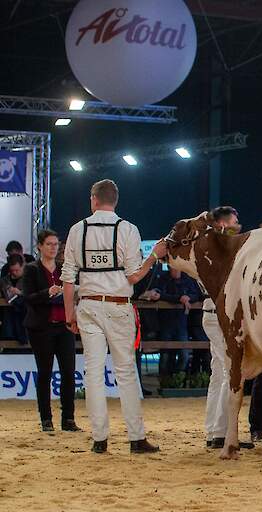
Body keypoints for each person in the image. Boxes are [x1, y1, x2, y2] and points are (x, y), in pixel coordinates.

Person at [61, 179, 166, 454]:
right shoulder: (127, 229)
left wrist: (69, 312)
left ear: (93, 199)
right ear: (115, 200)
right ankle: (135, 438)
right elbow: (134, 275)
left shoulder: (77, 229)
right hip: (119, 305)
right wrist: (153, 256)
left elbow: (68, 277)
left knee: (93, 373)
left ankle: (100, 439)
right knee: (126, 372)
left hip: (88, 305)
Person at [200, 206, 254, 449]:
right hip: (221, 312)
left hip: (209, 310)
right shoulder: (221, 249)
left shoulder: (204, 248)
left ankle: (214, 430)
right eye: (234, 222)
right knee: (228, 371)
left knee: (218, 372)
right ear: (222, 225)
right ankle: (221, 433)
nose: (238, 226)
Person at [21, 229, 78, 432]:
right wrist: (48, 292)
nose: (54, 248)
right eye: (49, 244)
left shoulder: (64, 269)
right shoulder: (31, 269)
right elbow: (27, 297)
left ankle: (68, 419)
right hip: (41, 328)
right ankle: (46, 419)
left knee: (69, 373)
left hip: (64, 326)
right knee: (45, 373)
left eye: (56, 244)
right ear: (39, 246)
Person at [152, 265, 201, 386]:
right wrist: (180, 298)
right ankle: (164, 383)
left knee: (184, 355)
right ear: (169, 267)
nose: (176, 270)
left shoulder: (187, 280)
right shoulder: (163, 279)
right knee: (165, 356)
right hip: (166, 323)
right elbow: (158, 295)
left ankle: (177, 379)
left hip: (181, 323)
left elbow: (196, 295)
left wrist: (187, 297)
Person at [0, 254, 29, 344]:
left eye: (17, 270)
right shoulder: (4, 281)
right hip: (9, 316)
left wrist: (20, 293)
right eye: (12, 270)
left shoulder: (29, 279)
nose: (14, 272)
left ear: (22, 266)